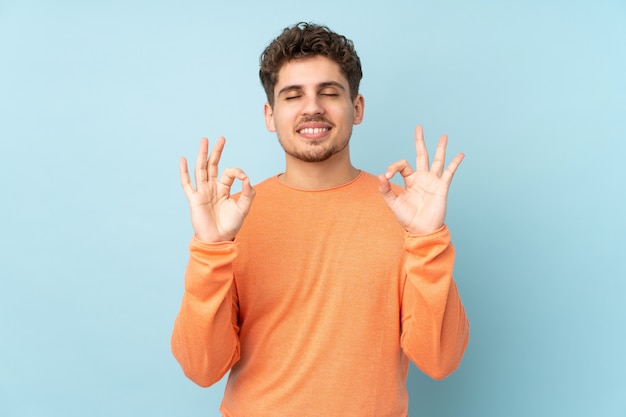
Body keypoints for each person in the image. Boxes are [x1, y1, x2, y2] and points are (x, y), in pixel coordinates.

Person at [171, 22, 469, 416]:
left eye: (329, 93)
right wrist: (210, 250)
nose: (312, 107)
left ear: (357, 108)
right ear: (270, 114)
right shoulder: (233, 218)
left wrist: (428, 240)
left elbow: (440, 360)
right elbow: (201, 368)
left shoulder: (406, 214)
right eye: (293, 96)